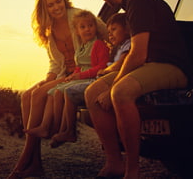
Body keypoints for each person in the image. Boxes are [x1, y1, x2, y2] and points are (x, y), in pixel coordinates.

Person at [85, 0, 190, 179]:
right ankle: (115, 163)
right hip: (148, 65)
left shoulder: (139, 1)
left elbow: (138, 53)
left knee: (120, 92)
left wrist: (113, 85)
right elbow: (136, 55)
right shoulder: (133, 1)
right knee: (92, 93)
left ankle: (132, 170)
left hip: (171, 67)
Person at [8, 0, 106, 179]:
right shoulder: (48, 29)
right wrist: (47, 80)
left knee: (37, 95)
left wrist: (107, 62)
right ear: (44, 9)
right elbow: (55, 62)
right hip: (64, 73)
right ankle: (35, 163)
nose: (56, 7)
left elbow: (103, 30)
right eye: (50, 5)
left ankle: (26, 158)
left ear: (64, 0)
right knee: (27, 95)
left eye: (58, 1)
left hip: (83, 73)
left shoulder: (78, 16)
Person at [25, 10, 109, 144]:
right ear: (77, 31)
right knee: (53, 91)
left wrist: (79, 75)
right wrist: (74, 75)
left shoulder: (98, 44)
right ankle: (47, 126)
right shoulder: (82, 47)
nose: (87, 29)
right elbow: (79, 65)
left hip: (91, 79)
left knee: (61, 91)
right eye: (83, 27)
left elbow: (102, 67)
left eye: (90, 26)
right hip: (80, 77)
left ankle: (62, 129)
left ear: (95, 27)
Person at [49, 12, 131, 147]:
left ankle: (68, 130)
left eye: (114, 30)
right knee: (58, 91)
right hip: (98, 77)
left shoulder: (105, 45)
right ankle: (58, 128)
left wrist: (104, 71)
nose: (110, 34)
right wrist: (71, 76)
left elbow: (109, 65)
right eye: (109, 31)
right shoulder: (112, 47)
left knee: (69, 92)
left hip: (98, 78)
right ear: (77, 31)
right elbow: (79, 67)